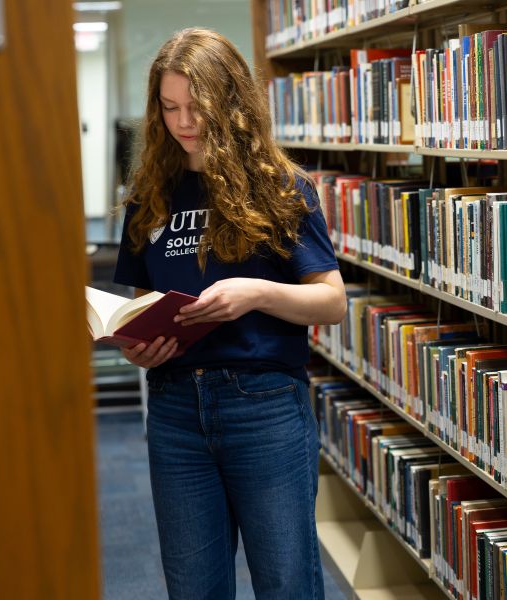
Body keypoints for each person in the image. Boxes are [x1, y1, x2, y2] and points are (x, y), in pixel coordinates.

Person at [113, 27, 346, 600]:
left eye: (198, 107)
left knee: (286, 583)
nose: (184, 122)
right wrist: (134, 342)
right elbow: (137, 304)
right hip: (174, 411)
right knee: (193, 587)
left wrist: (258, 293)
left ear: (233, 102)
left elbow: (332, 301)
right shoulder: (151, 195)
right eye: (169, 108)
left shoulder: (282, 188)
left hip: (263, 405)